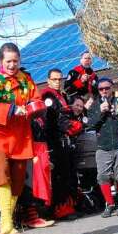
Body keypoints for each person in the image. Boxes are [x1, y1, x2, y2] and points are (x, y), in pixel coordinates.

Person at [0, 43, 46, 234]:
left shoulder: (26, 79)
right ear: (0, 61)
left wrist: (34, 106)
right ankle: (7, 221)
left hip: (20, 137)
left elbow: (36, 98)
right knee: (1, 172)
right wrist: (12, 109)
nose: (12, 65)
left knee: (18, 178)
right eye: (8, 61)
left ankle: (7, 220)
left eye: (15, 61)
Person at [41, 68, 84, 220]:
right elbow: (55, 119)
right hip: (54, 141)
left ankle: (69, 207)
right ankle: (60, 210)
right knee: (59, 177)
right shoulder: (47, 95)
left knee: (69, 174)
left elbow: (67, 115)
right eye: (54, 79)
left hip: (64, 141)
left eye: (60, 79)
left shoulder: (63, 95)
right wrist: (73, 126)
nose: (58, 82)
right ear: (48, 80)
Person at [87, 77, 118, 217]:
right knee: (102, 176)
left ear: (112, 88)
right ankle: (110, 204)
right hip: (103, 146)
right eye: (101, 89)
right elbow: (90, 125)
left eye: (107, 88)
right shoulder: (94, 105)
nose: (104, 91)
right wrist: (100, 112)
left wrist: (116, 113)